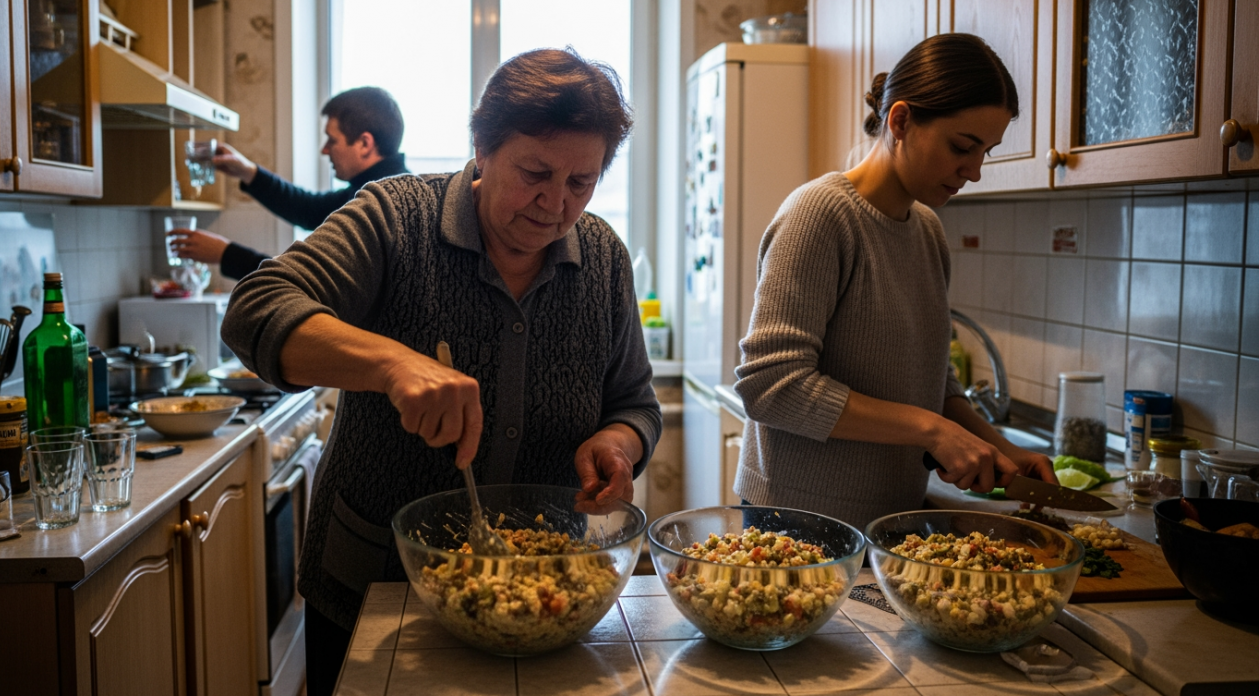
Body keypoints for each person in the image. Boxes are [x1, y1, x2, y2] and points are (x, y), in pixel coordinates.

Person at [222, 49, 660, 696]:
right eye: (535, 172)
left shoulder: (602, 259)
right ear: (481, 147)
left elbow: (634, 402)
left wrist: (620, 444)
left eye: (581, 182)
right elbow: (255, 310)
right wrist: (392, 363)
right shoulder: (395, 218)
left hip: (537, 594)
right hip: (376, 591)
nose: (555, 203)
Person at [732, 33, 1056, 532]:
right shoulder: (820, 215)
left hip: (891, 517)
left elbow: (933, 382)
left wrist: (1000, 447)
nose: (973, 172)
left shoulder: (927, 231)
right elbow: (770, 385)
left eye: (985, 152)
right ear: (900, 120)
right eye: (962, 147)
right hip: (799, 521)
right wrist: (931, 430)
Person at [167, 86, 412, 279]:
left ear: (364, 143)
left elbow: (308, 279)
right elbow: (309, 210)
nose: (324, 151)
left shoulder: (379, 206)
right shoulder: (381, 190)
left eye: (332, 140)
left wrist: (225, 253)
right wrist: (248, 172)